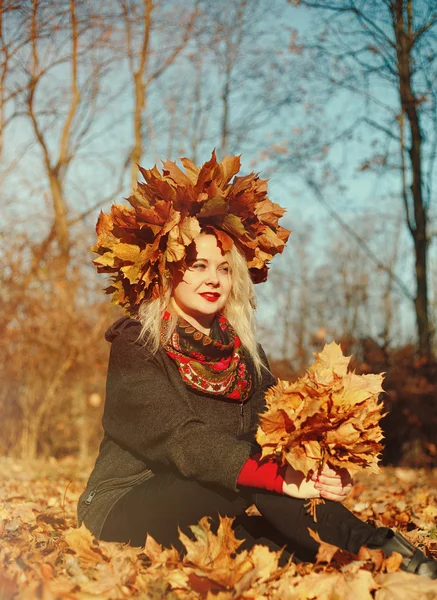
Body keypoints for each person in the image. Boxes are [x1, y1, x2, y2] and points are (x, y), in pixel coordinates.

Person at [78, 152, 436, 579]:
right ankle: (377, 549)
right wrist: (276, 475)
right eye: (198, 266)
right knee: (252, 477)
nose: (214, 279)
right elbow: (180, 442)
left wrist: (323, 475)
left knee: (280, 550)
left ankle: (389, 560)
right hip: (125, 504)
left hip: (217, 496)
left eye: (224, 269)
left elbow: (278, 439)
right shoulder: (136, 344)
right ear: (167, 272)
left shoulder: (246, 354)